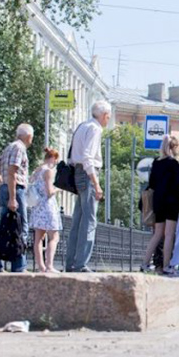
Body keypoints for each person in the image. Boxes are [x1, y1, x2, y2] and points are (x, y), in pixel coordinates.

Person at [66, 100, 110, 273]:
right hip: (88, 174)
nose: (108, 120)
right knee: (90, 220)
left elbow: (73, 156)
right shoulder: (95, 128)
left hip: (78, 173)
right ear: (104, 115)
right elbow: (88, 158)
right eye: (108, 116)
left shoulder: (82, 126)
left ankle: (70, 262)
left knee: (78, 219)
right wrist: (96, 184)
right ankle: (81, 264)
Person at [0, 123, 34, 272]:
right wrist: (13, 197)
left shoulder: (9, 147)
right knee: (21, 227)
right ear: (28, 136)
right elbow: (13, 172)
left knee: (5, 227)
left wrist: (1, 183)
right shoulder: (19, 148)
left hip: (6, 188)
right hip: (16, 190)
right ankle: (19, 265)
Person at [141, 134, 179, 276]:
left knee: (157, 234)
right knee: (169, 235)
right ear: (174, 147)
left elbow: (152, 184)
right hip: (171, 202)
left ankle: (144, 263)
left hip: (158, 202)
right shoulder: (174, 164)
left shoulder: (156, 162)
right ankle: (166, 266)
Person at [28, 147, 62, 273]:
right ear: (53, 158)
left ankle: (41, 267)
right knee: (54, 236)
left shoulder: (37, 170)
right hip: (47, 206)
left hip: (37, 206)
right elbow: (49, 192)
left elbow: (31, 183)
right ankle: (49, 266)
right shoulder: (48, 171)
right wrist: (58, 189)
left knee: (38, 238)